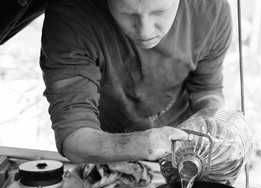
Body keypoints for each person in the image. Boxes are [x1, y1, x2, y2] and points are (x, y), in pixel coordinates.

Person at [40, 0, 232, 164]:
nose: (145, 31)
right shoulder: (69, 16)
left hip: (184, 139)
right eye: (127, 12)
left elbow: (206, 87)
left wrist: (214, 121)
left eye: (159, 11)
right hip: (104, 147)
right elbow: (74, 137)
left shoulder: (210, 9)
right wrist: (144, 144)